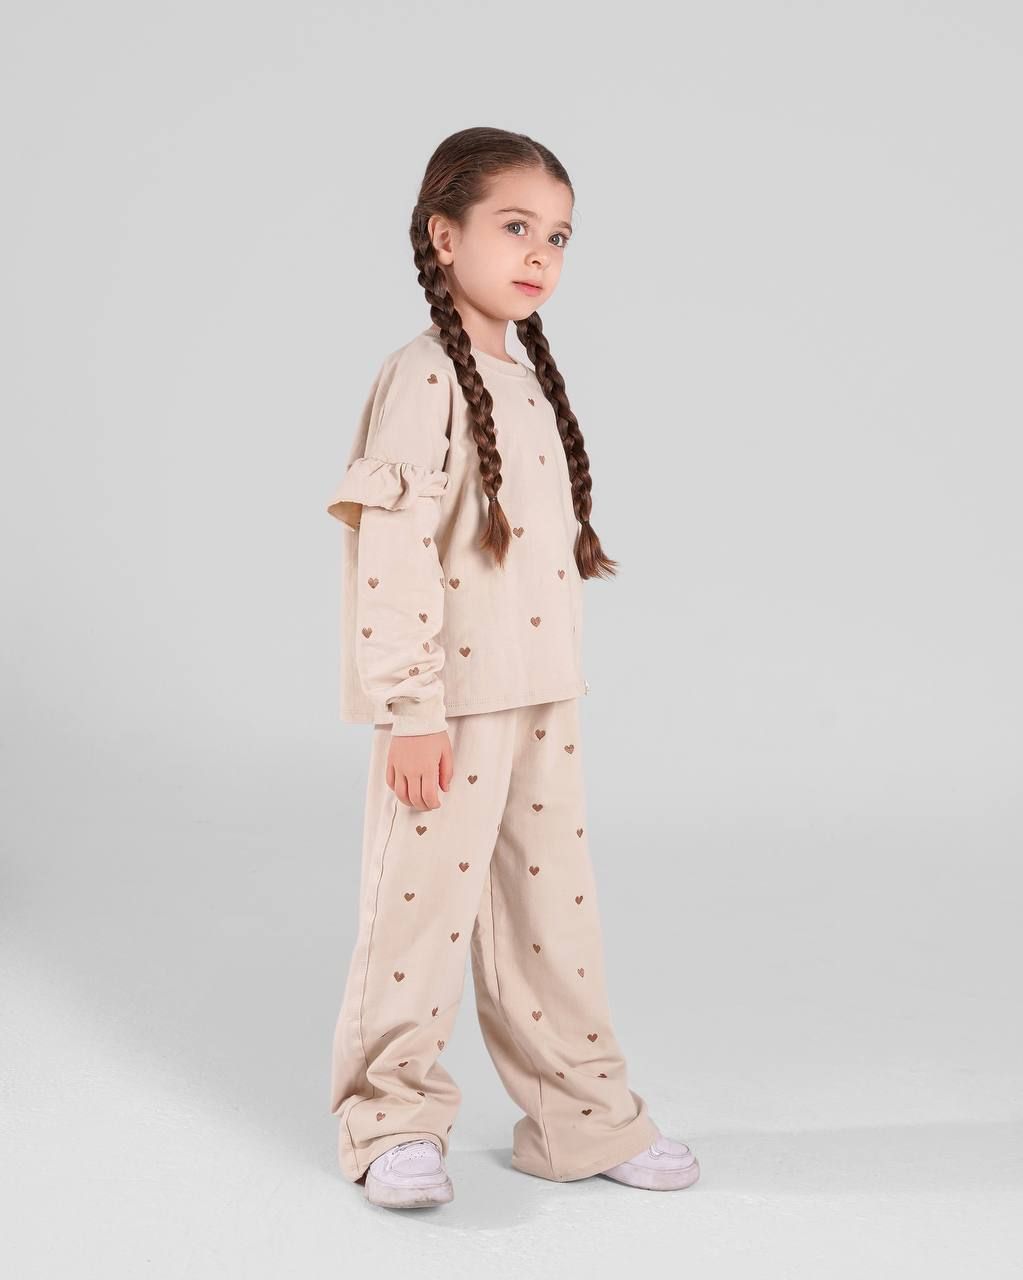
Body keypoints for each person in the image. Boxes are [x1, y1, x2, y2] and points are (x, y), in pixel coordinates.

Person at [324, 126, 700, 1209]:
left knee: (552, 918)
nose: (540, 253)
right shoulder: (420, 377)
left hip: (540, 694)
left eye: (560, 236)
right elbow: (393, 551)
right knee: (418, 914)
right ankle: (389, 1118)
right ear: (445, 236)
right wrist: (410, 709)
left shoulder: (525, 379)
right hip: (448, 704)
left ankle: (581, 1118)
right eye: (516, 226)